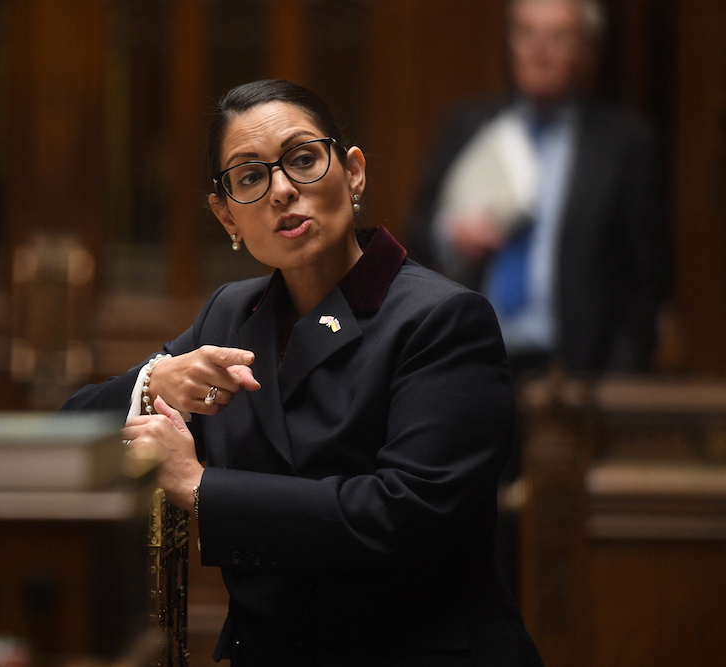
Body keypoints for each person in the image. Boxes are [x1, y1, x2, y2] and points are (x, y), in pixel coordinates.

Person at [63, 79, 542, 665]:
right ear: (226, 216)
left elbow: (407, 514)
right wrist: (155, 380)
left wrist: (201, 487)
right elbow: (74, 424)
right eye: (249, 177)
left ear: (354, 172)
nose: (283, 190)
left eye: (303, 160)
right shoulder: (232, 314)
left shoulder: (442, 319)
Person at [408, 0, 669, 382]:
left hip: (577, 379)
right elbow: (416, 230)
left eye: (557, 37)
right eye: (526, 33)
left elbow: (648, 279)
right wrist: (450, 232)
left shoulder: (625, 144)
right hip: (471, 362)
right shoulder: (468, 125)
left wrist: (620, 378)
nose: (538, 49)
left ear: (586, 50)